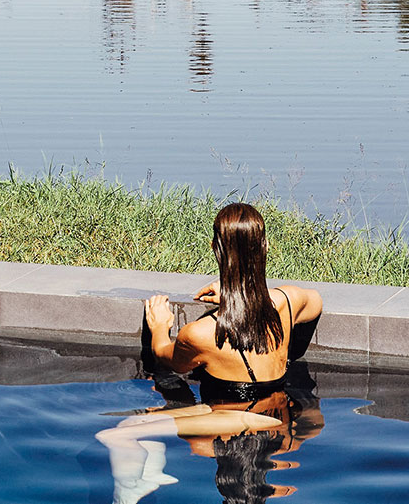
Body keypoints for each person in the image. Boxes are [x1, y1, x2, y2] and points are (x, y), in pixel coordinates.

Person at [97, 202, 325, 502]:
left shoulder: (202, 333)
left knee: (114, 435)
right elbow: (316, 301)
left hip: (234, 417)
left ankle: (127, 494)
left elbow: (166, 358)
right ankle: (150, 476)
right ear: (266, 246)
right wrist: (241, 296)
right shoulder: (288, 301)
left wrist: (160, 326)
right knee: (136, 423)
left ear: (215, 249)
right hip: (278, 419)